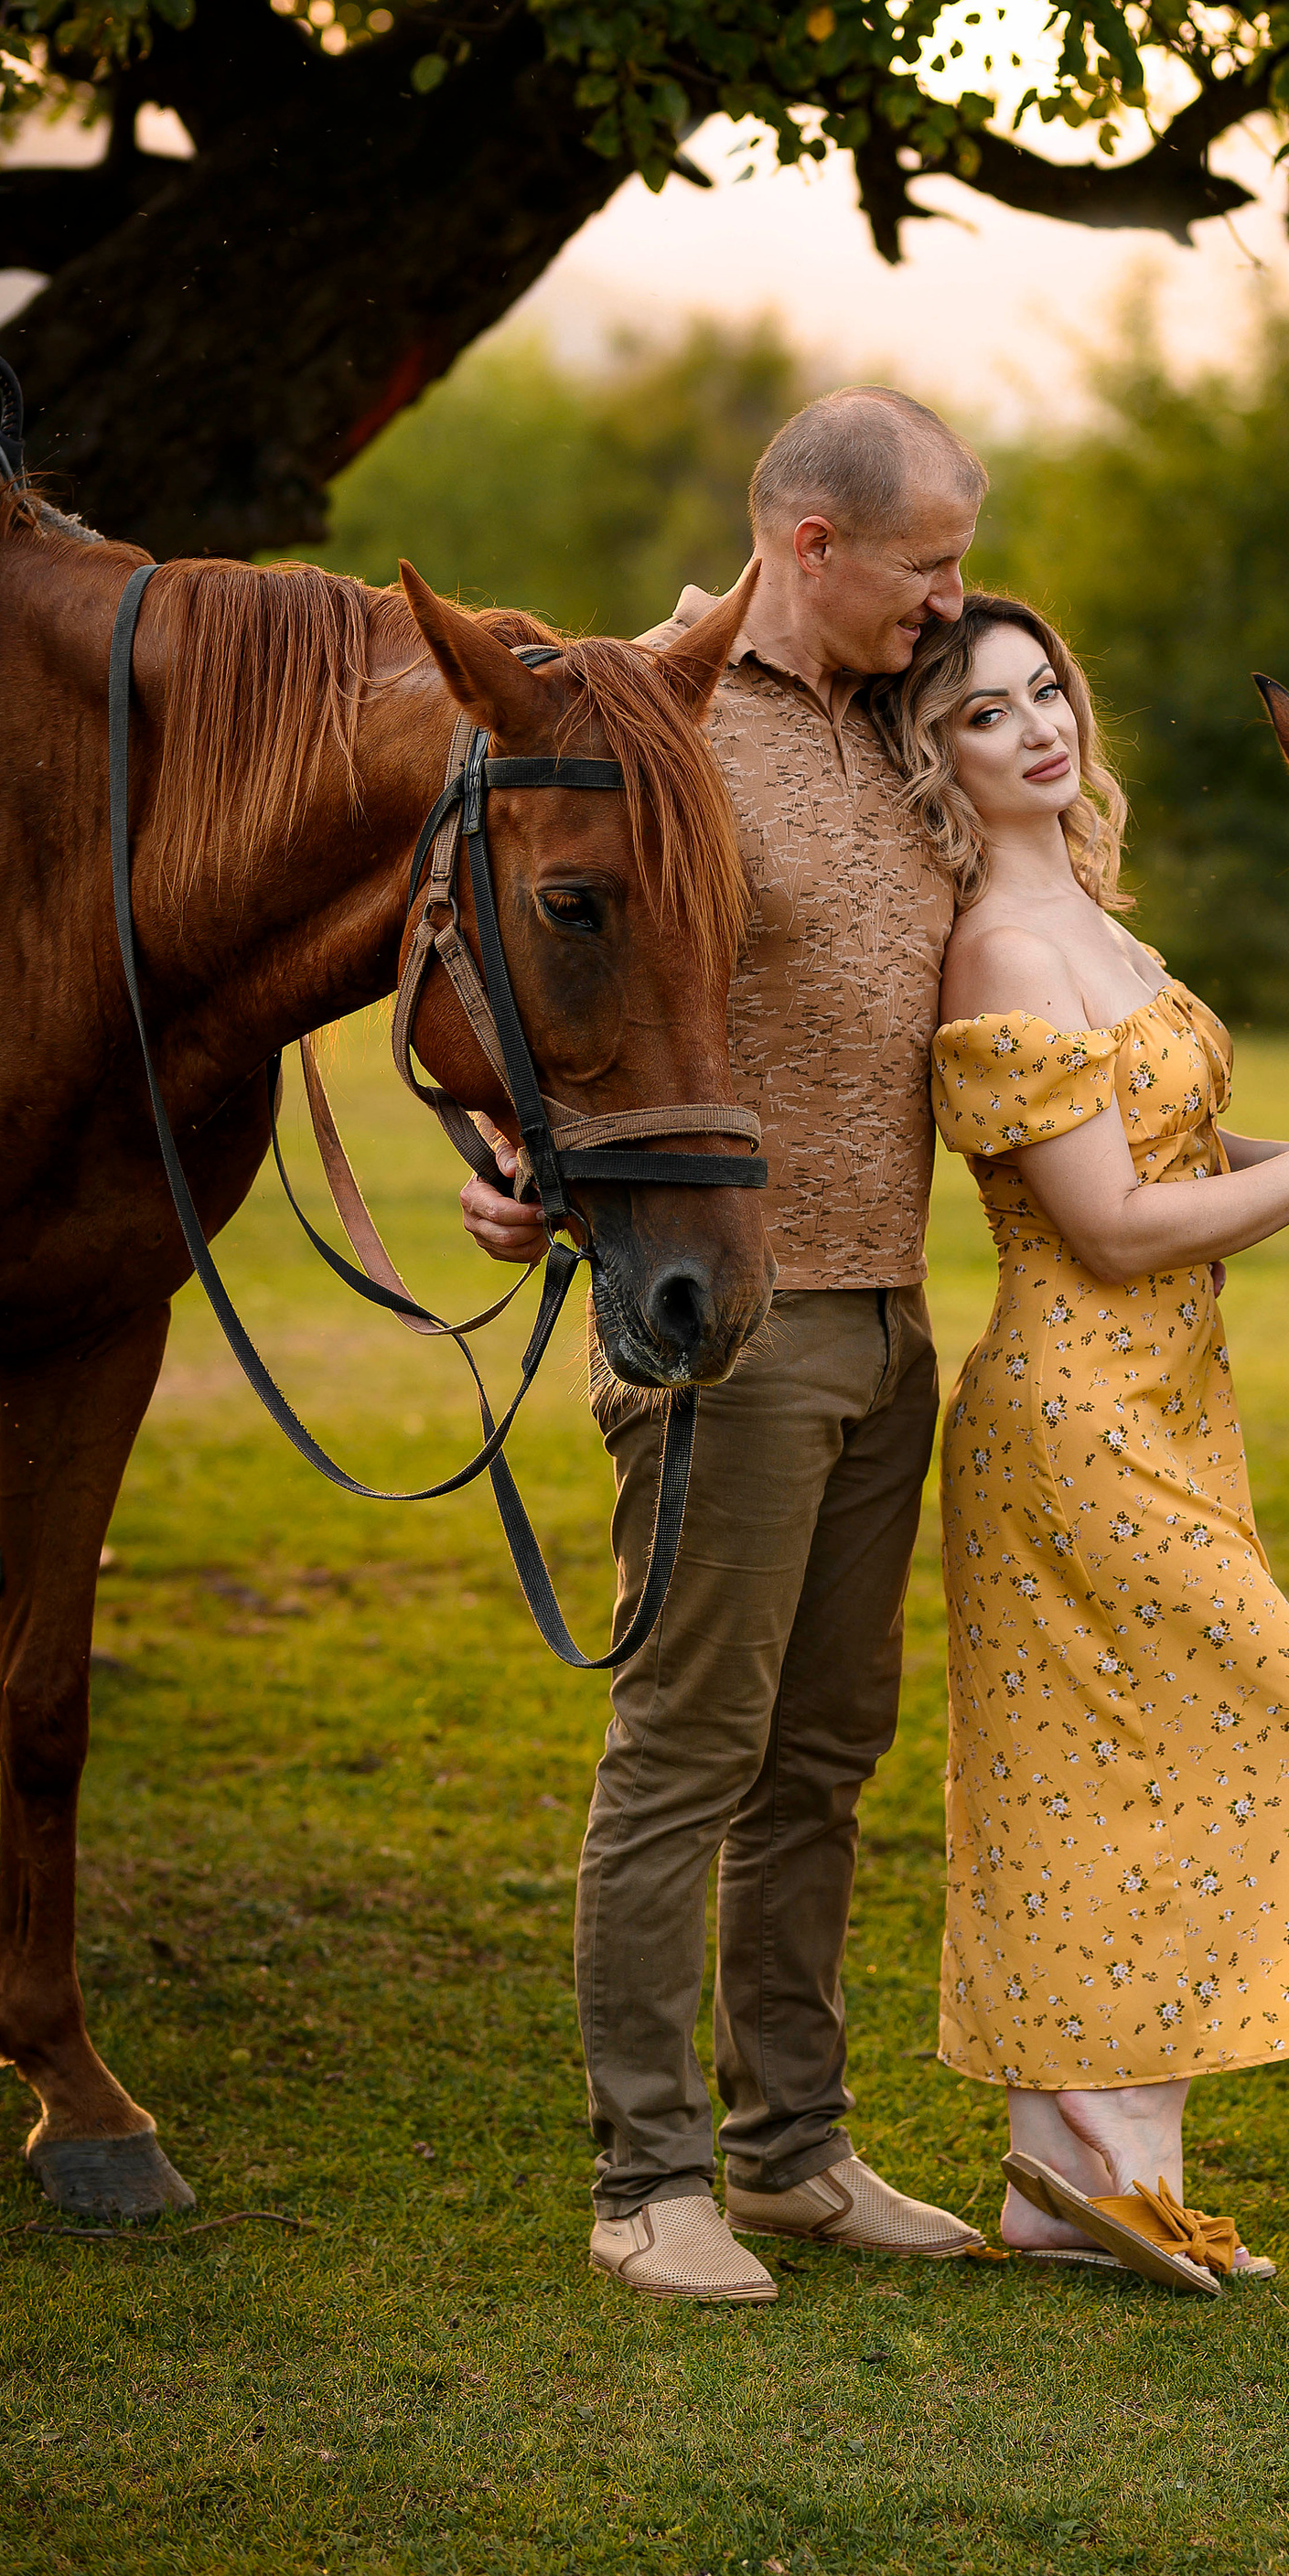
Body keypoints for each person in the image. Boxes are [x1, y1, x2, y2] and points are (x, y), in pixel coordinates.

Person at [874, 593, 1289, 2292]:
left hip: (1169, 1414)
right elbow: (1121, 1225)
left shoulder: (1098, 922)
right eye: (985, 714)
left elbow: (1186, 1151)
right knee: (1282, 1735)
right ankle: (1090, 2146)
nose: (1038, 726)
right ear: (939, 756)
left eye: (1046, 689)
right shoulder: (999, 944)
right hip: (1069, 1416)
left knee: (1126, 1783)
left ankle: (1078, 2178)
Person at [463, 387, 994, 2304]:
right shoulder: (651, 719)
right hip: (724, 1321)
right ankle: (647, 2177)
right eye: (926, 564)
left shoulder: (887, 739)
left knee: (824, 1753)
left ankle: (790, 2152)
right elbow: (509, 952)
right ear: (812, 544)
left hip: (886, 1312)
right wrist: (507, 1152)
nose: (954, 602)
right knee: (687, 1745)